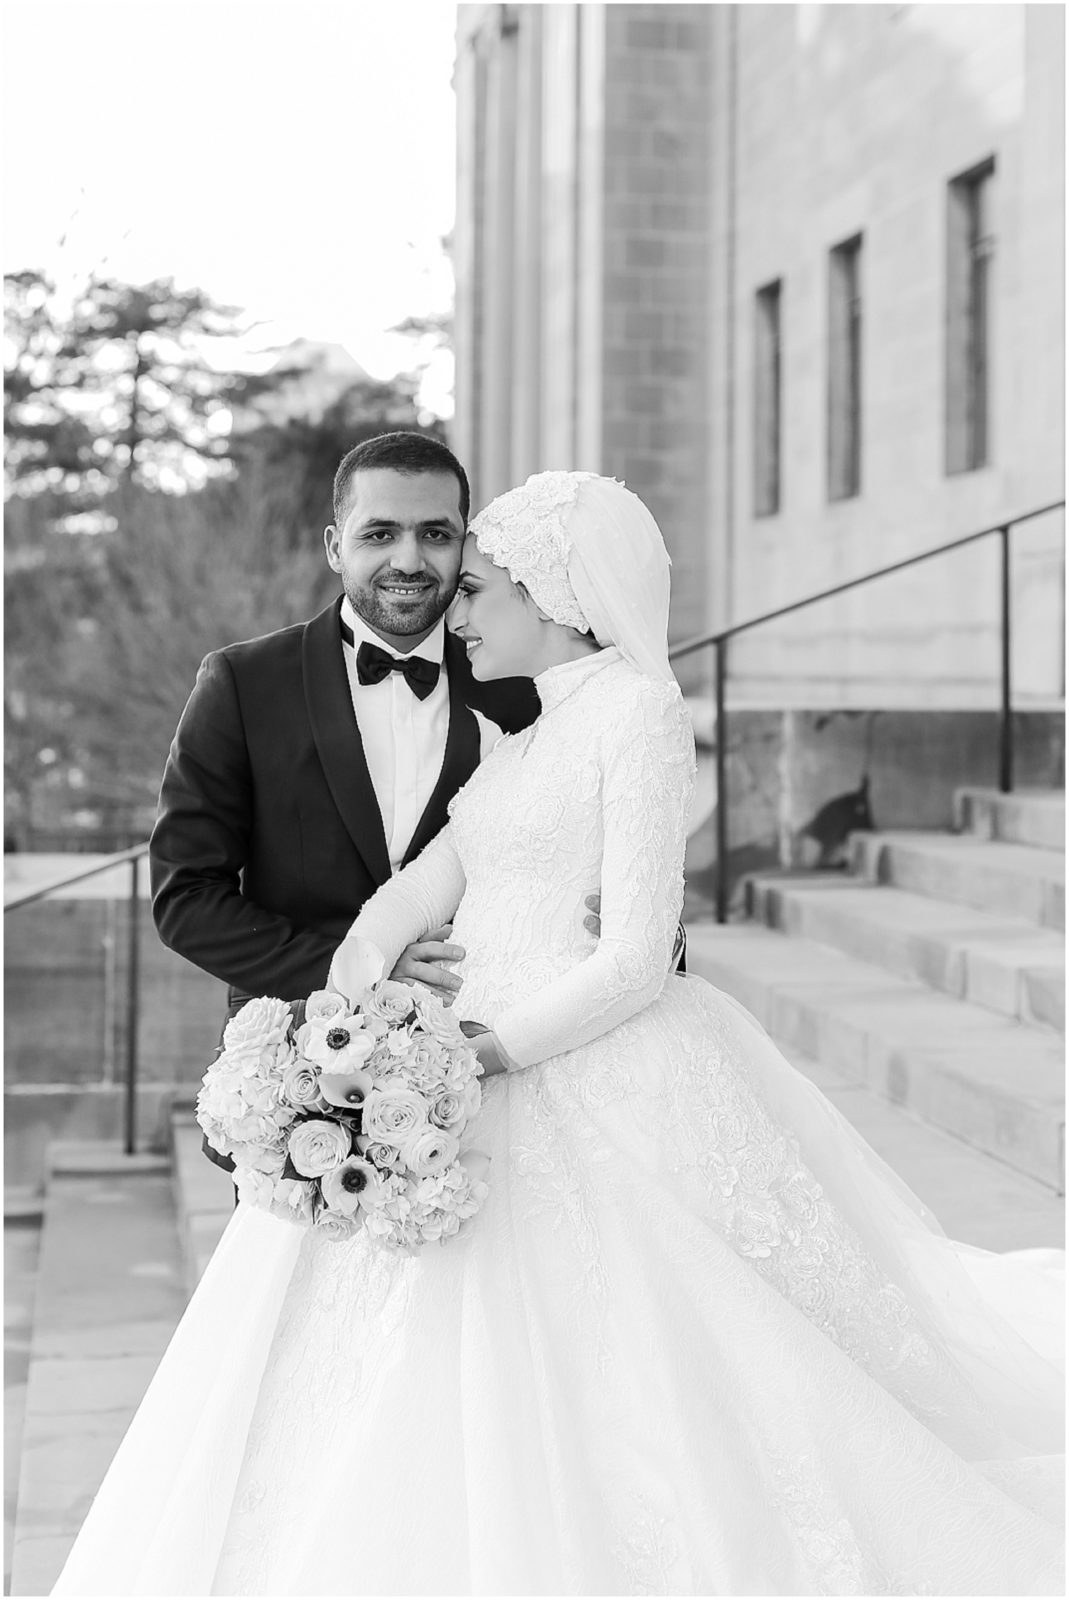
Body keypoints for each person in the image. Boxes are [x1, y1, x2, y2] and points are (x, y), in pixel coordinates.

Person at [54, 472, 1062, 1596]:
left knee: (625, 1344)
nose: (454, 606)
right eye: (401, 544)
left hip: (548, 1056)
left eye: (471, 577)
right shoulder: (515, 729)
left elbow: (633, 952)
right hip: (420, 1060)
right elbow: (424, 876)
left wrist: (475, 1050)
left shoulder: (627, 712)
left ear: (551, 593)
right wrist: (352, 1005)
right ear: (336, 537)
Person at [148, 430, 540, 1182]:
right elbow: (185, 899)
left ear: (466, 544)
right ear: (335, 545)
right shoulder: (241, 684)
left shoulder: (520, 686)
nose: (408, 560)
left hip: (490, 1076)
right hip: (298, 1085)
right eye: (379, 533)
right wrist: (358, 965)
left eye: (436, 534)